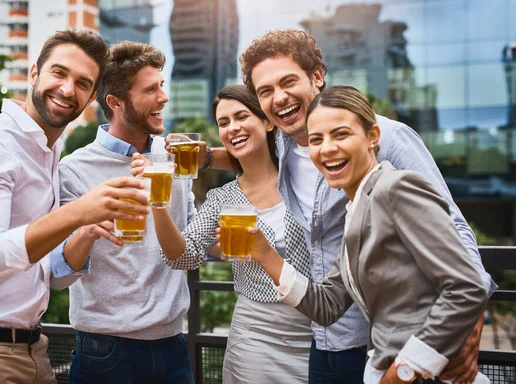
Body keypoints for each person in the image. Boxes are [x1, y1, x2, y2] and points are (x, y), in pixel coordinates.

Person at [202, 29, 495, 383]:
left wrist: (468, 322)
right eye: (265, 91)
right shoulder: (281, 143)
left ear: (317, 76)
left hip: (387, 342)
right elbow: (244, 153)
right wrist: (200, 157)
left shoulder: (386, 138)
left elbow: (454, 228)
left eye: (288, 82)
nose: (279, 98)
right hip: (322, 338)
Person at [0, 29, 150, 384]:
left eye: (82, 83)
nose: (68, 89)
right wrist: (78, 211)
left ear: (91, 99)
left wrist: (85, 232)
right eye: (59, 73)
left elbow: (51, 277)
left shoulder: (46, 150)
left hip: (28, 348)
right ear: (34, 73)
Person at [249, 85, 489, 384]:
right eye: (316, 140)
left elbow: (466, 286)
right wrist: (265, 254)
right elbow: (327, 306)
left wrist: (404, 371)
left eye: (341, 135)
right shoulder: (356, 209)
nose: (327, 149)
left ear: (372, 137)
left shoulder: (395, 188)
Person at [133, 84, 312, 383]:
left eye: (242, 116)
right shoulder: (221, 198)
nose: (232, 128)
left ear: (268, 121)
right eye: (223, 123)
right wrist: (158, 203)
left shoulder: (306, 178)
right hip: (255, 340)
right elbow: (183, 257)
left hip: (317, 330)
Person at [52, 41, 196, 384]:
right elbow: (59, 274)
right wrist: (89, 228)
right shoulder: (74, 170)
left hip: (174, 345)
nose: (163, 97)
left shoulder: (175, 158)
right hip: (105, 353)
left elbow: (191, 242)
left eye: (162, 86)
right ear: (115, 103)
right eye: (151, 89)